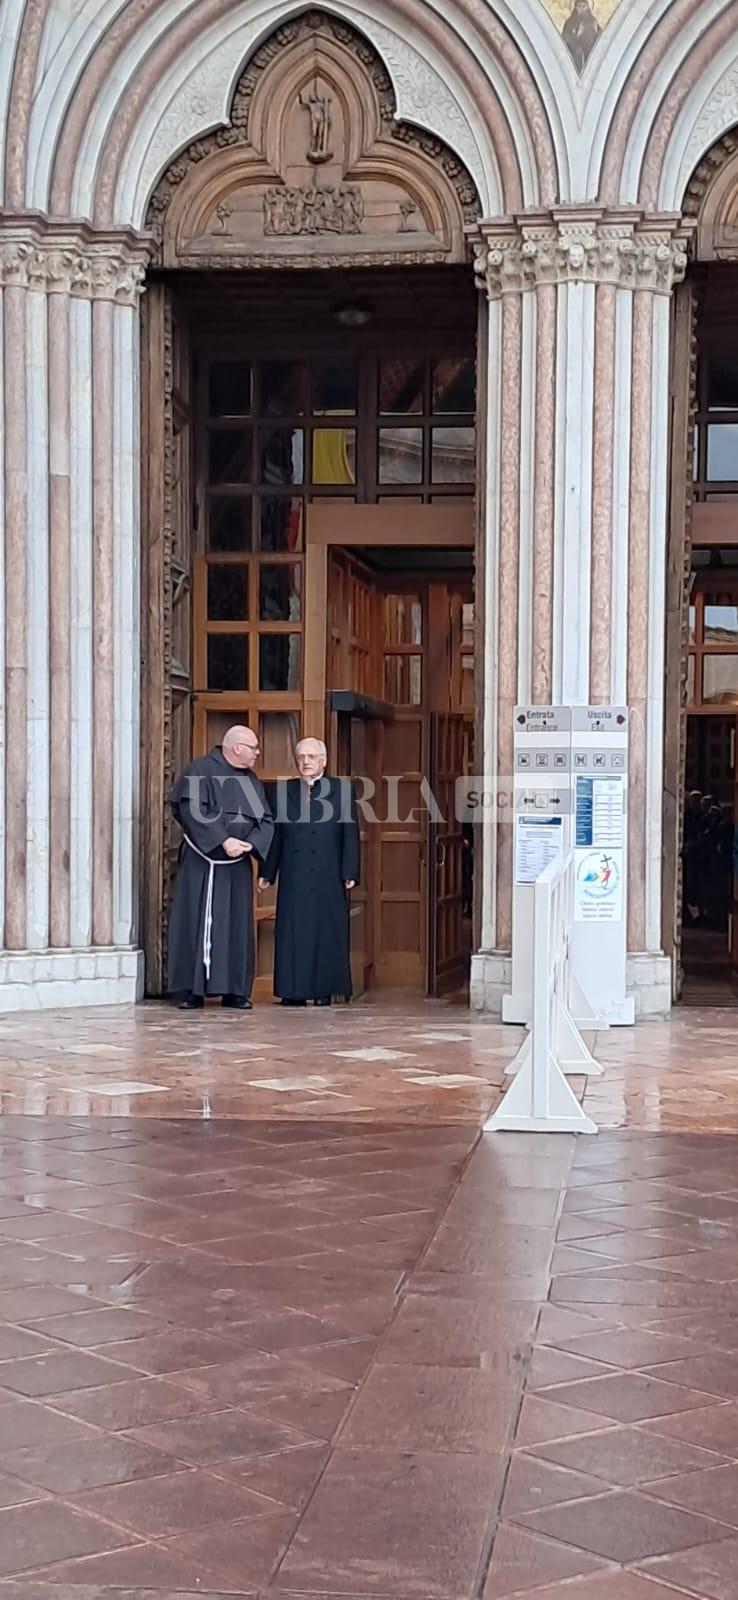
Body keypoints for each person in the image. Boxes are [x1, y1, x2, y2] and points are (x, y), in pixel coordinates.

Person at [168, 726, 274, 1010]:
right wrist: (223, 839)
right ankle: (191, 990)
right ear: (237, 747)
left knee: (236, 926)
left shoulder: (251, 782)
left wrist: (250, 845)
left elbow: (265, 820)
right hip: (204, 863)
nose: (257, 753)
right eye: (254, 747)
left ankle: (235, 990)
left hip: (236, 865)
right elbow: (191, 810)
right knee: (196, 922)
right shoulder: (199, 771)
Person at [258, 737, 359, 1006]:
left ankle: (323, 991)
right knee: (293, 933)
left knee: (326, 933)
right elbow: (276, 835)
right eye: (301, 757)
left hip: (328, 874)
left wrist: (350, 871)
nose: (306, 762)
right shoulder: (282, 791)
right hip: (294, 874)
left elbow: (350, 832)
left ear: (323, 761)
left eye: (312, 757)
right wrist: (267, 872)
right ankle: (292, 991)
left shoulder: (342, 790)